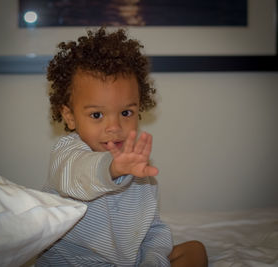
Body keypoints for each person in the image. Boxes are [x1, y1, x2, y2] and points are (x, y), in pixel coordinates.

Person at [36, 27, 207, 267]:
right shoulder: (67, 156)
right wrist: (112, 168)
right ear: (70, 116)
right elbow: (79, 177)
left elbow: (152, 229)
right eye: (97, 115)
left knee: (194, 250)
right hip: (75, 261)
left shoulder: (139, 171)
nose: (114, 127)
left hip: (128, 261)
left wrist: (153, 259)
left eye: (126, 112)